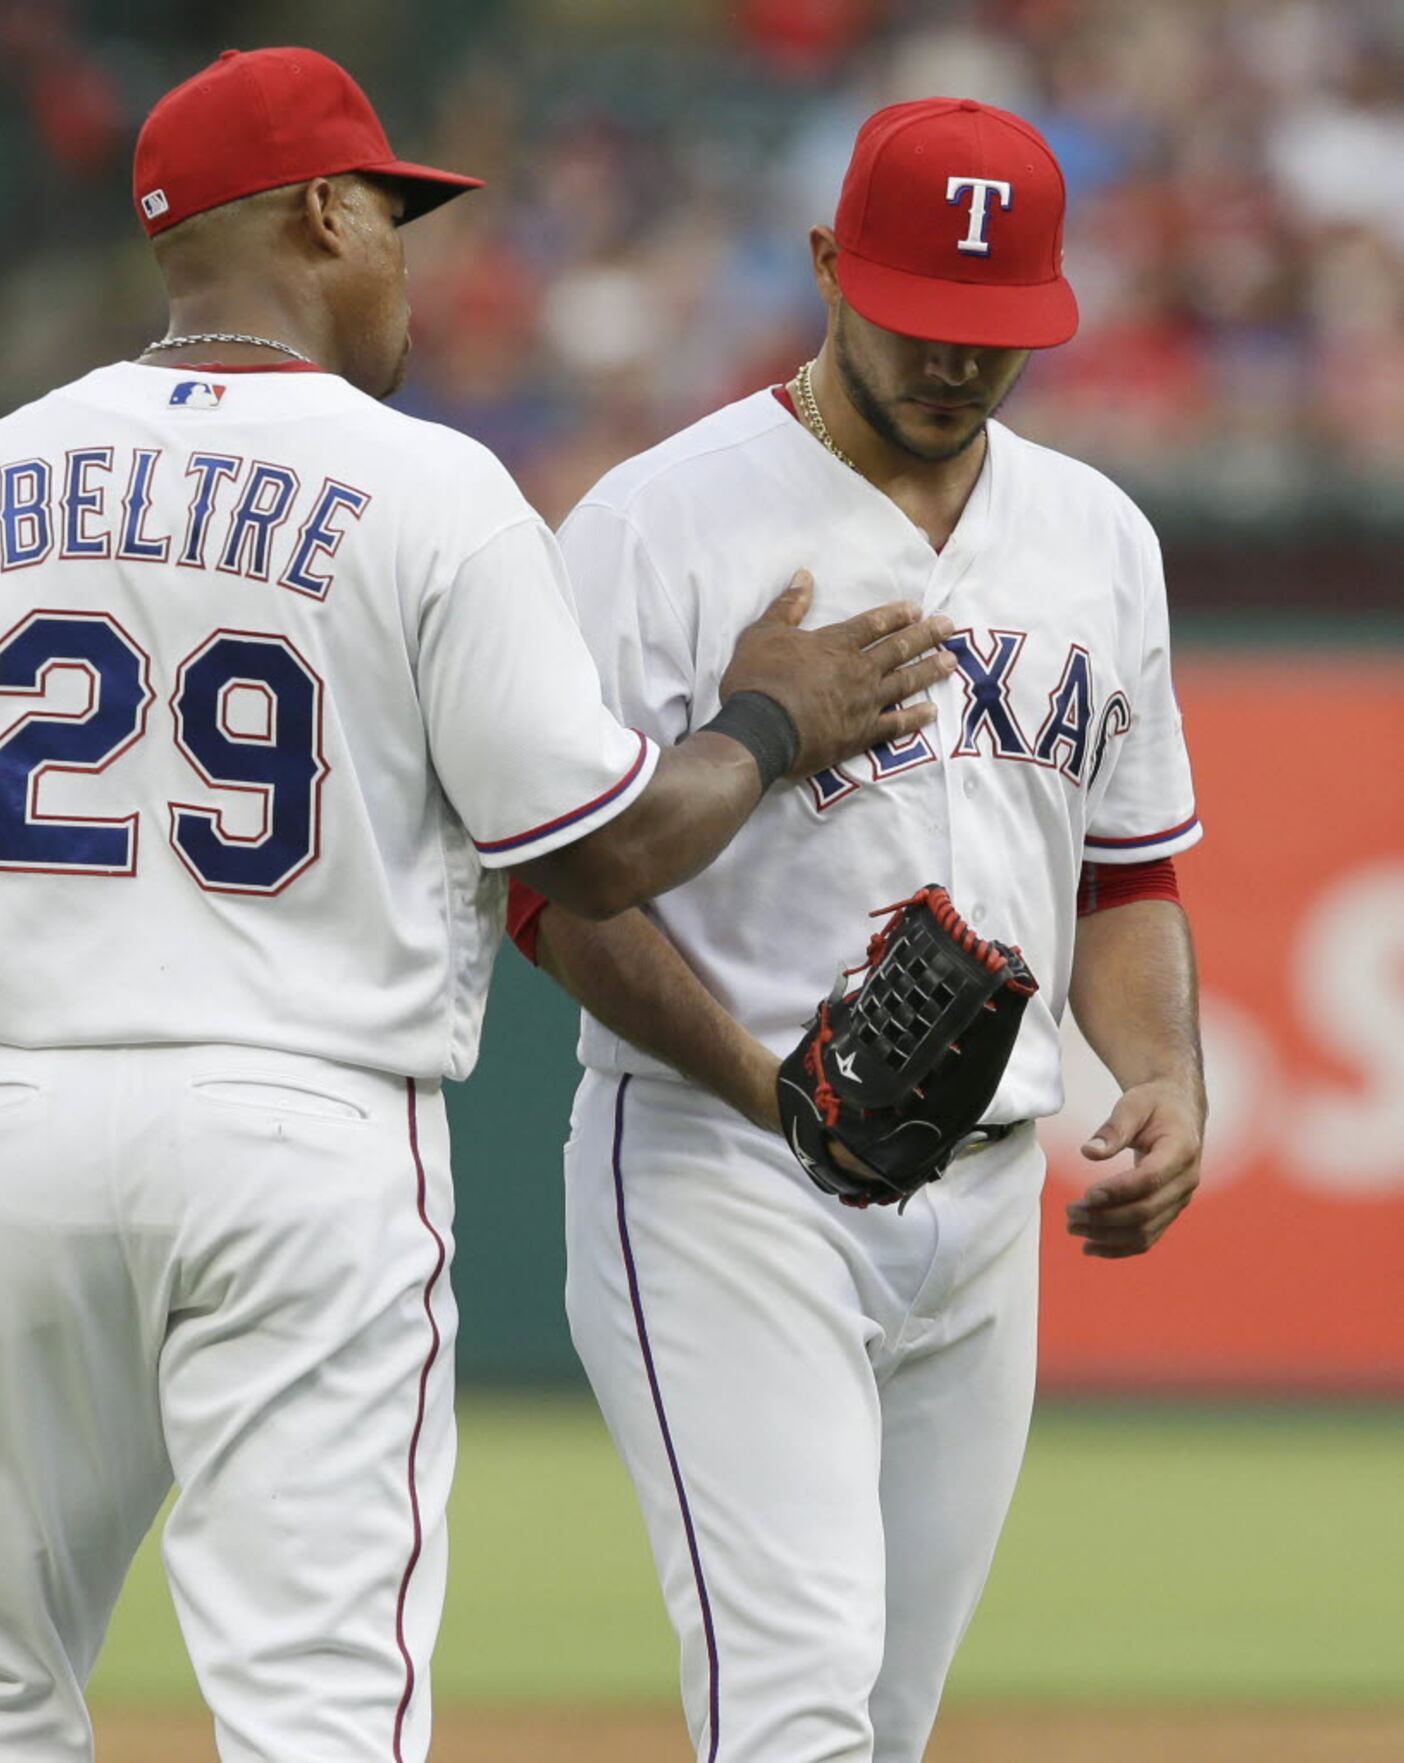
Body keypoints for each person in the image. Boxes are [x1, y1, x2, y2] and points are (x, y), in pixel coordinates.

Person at [0, 49, 958, 1763]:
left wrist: (110, 871)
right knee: (318, 1704)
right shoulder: (425, 488)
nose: (407, 256)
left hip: (28, 1121)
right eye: (392, 217)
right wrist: (770, 722)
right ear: (324, 211)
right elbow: (604, 849)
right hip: (305, 1125)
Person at [509, 97, 1206, 1763]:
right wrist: (776, 1095)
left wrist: (1167, 1071)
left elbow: (1126, 870)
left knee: (882, 1728)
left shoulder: (1100, 539)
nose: (955, 360)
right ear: (829, 265)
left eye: (994, 330)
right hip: (721, 1174)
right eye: (920, 315)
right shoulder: (653, 525)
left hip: (983, 1206)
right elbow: (548, 890)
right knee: (794, 1705)